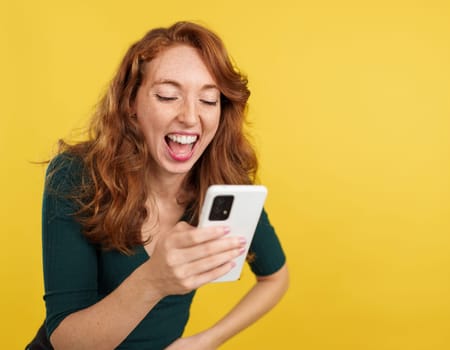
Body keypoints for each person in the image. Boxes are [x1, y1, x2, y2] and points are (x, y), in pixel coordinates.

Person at [27, 21, 288, 349]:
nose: (190, 117)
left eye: (208, 100)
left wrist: (205, 341)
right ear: (131, 105)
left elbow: (276, 277)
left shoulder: (222, 186)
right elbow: (66, 342)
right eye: (168, 96)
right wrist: (154, 281)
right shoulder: (75, 175)